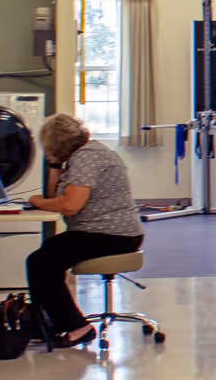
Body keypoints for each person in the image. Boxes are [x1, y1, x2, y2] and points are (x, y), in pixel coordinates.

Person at [26, 113, 144, 347]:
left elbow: (70, 205)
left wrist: (36, 201)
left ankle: (77, 328)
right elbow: (54, 195)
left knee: (41, 262)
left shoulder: (87, 158)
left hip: (112, 235)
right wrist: (54, 164)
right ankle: (50, 321)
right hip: (102, 232)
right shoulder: (84, 155)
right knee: (47, 253)